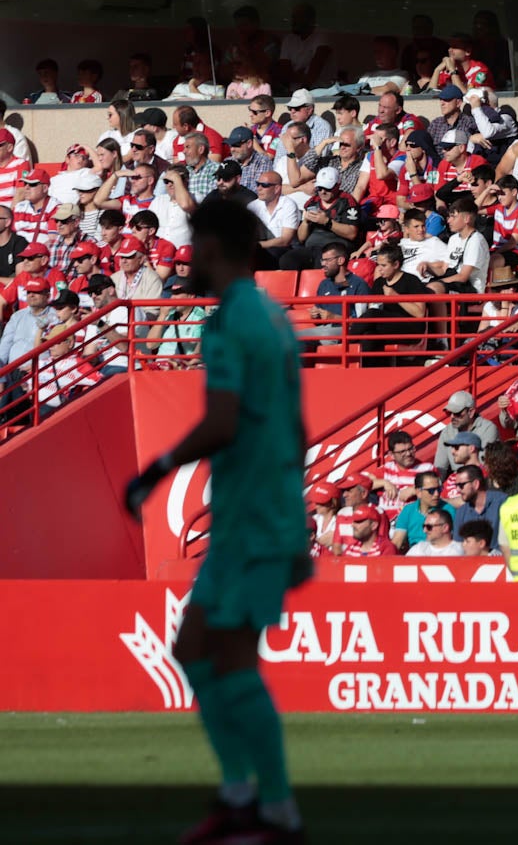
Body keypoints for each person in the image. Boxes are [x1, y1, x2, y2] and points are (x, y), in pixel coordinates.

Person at [122, 200, 306, 842]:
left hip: (253, 518)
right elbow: (297, 427)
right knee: (200, 649)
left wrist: (156, 468)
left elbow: (224, 421)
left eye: (195, 242)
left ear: (217, 246)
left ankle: (268, 807)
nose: (187, 255)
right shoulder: (273, 319)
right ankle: (249, 798)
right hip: (261, 513)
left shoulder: (231, 320)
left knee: (220, 655)